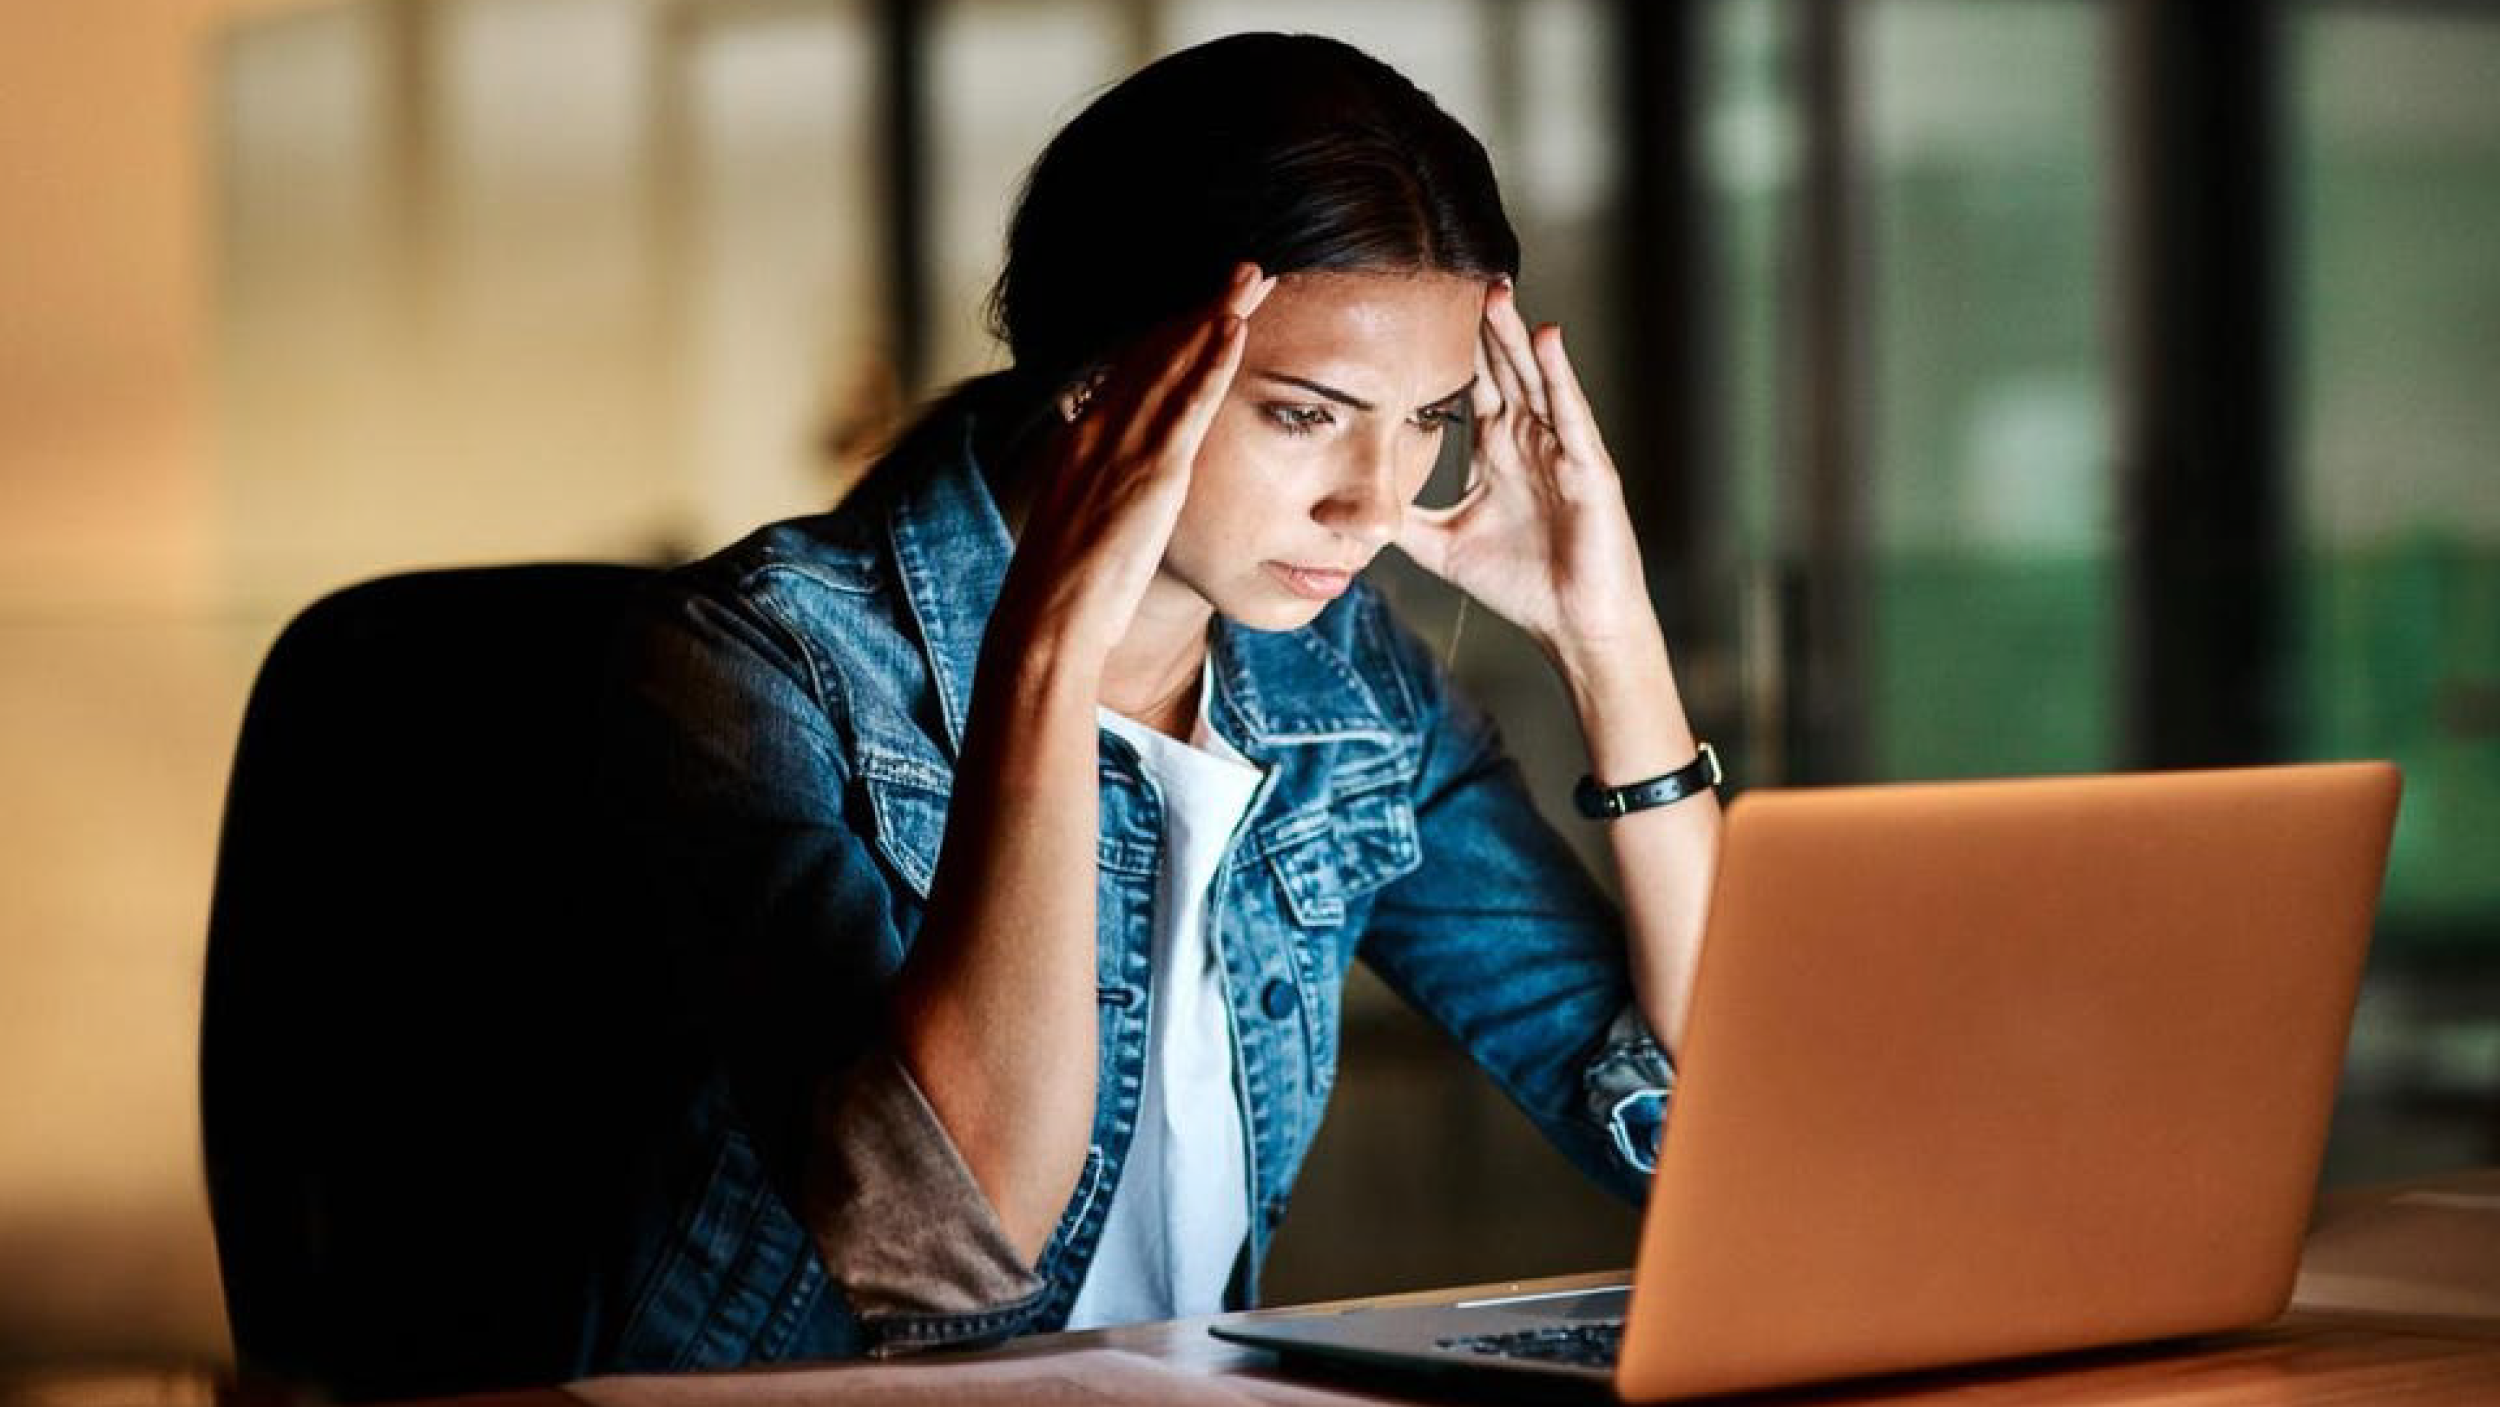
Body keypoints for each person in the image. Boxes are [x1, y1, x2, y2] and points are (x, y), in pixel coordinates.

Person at [588, 31, 1721, 1371]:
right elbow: (949, 1240)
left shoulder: (1340, 680)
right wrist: (1056, 643)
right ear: (1101, 373)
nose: (1377, 499)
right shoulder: (757, 665)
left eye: (1433, 419)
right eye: (1306, 414)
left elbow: (1711, 1137)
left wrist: (1613, 643)